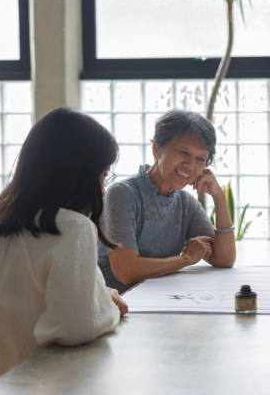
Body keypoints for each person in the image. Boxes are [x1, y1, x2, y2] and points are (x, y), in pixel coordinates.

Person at [0, 107, 127, 380]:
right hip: (48, 383)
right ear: (79, 175)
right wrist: (109, 305)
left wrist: (98, 297)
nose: (102, 189)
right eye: (103, 175)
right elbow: (76, 327)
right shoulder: (73, 228)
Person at [98, 109, 235, 294]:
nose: (191, 166)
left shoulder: (185, 203)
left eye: (200, 159)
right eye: (184, 152)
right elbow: (126, 271)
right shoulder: (122, 194)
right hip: (117, 308)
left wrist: (219, 196)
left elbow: (224, 259)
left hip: (160, 303)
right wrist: (185, 259)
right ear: (156, 148)